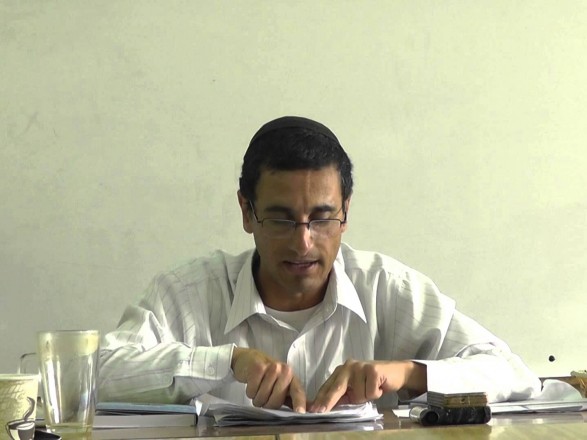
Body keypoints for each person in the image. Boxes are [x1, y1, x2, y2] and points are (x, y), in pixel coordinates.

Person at [98, 116, 541, 413]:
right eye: (281, 219)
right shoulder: (189, 293)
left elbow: (515, 375)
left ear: (346, 211)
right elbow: (99, 374)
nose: (303, 242)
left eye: (322, 218)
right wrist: (226, 363)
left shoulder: (386, 288)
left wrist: (406, 373)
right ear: (247, 212)